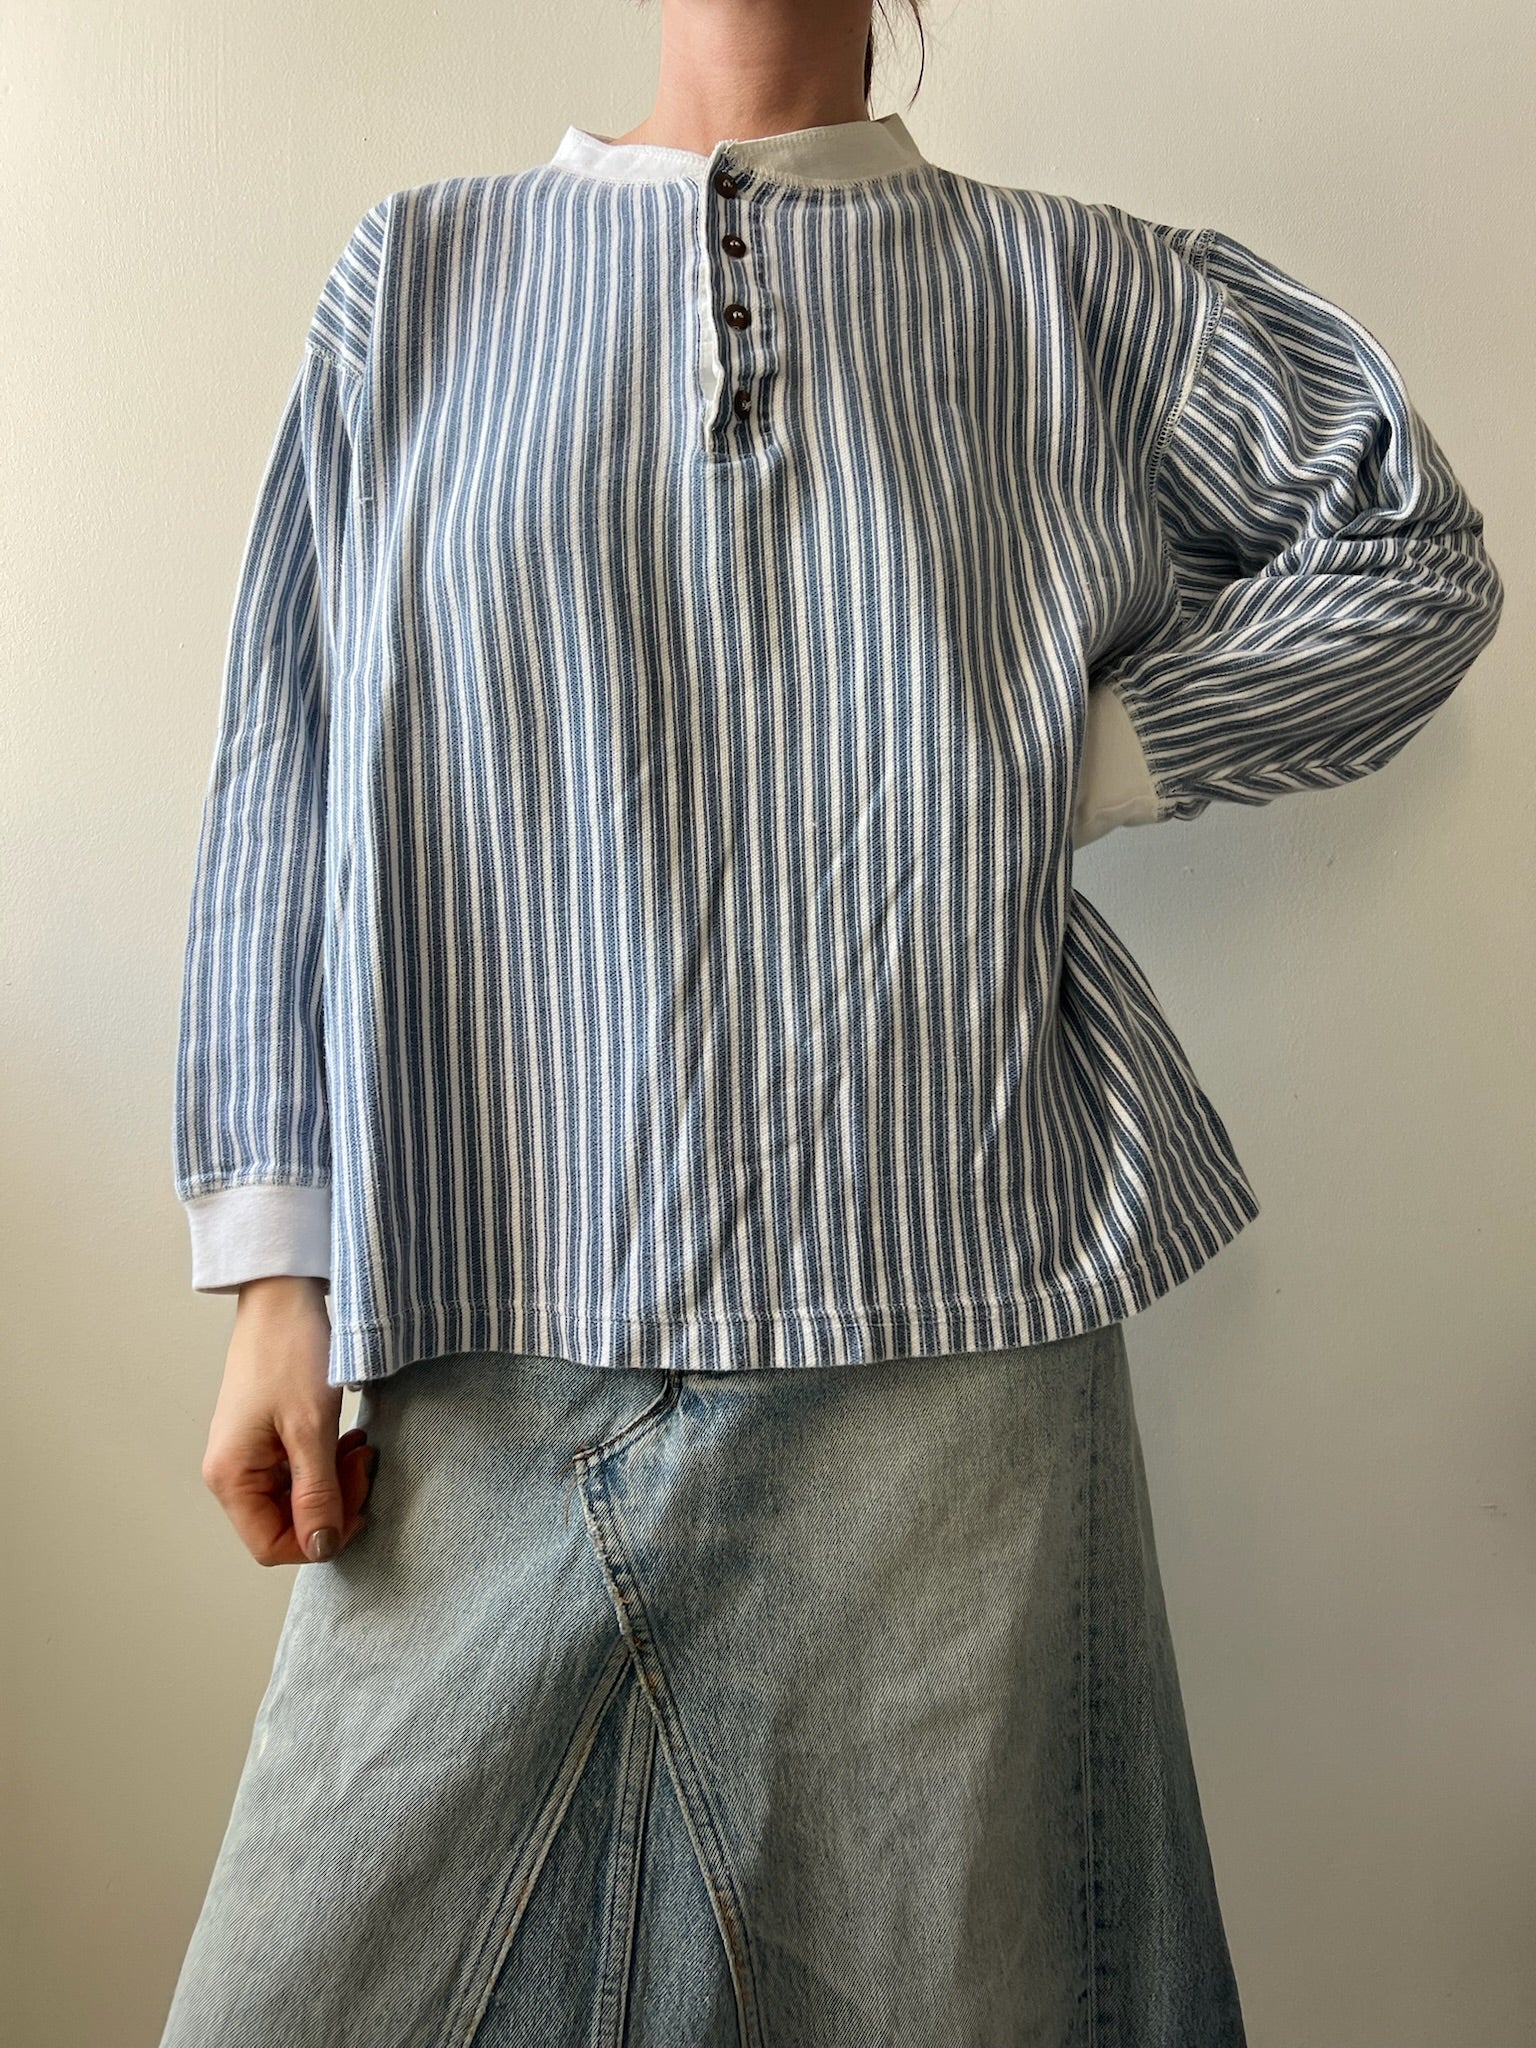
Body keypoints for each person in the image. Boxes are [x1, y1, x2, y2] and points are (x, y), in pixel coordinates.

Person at [157, 2, 1505, 2042]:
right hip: (480, 1333)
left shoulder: (1088, 294)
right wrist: (279, 1276)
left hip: (947, 1356)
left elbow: (1411, 559)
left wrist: (1078, 755)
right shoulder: (416, 275)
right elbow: (291, 759)